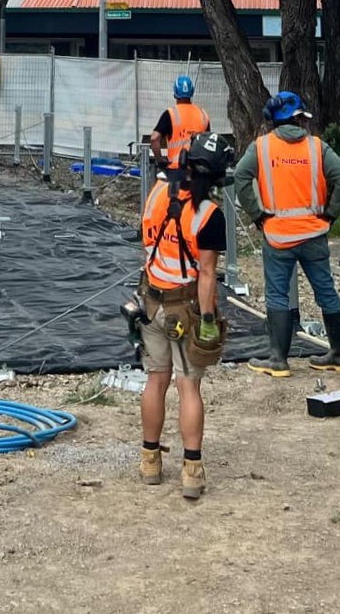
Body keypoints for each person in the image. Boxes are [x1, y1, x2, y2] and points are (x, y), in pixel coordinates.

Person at [232, 89, 340, 374]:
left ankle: (278, 360)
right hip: (314, 233)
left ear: (272, 120)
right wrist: (330, 213)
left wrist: (258, 214)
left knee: (277, 295)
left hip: (277, 235)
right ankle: (338, 354)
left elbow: (240, 176)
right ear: (299, 118)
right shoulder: (317, 147)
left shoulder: (261, 147)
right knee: (326, 291)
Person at [138, 132, 227, 501]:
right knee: (188, 386)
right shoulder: (209, 215)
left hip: (151, 300)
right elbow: (206, 275)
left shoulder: (159, 193)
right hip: (185, 306)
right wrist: (207, 319)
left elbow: (146, 238)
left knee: (155, 381)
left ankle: (150, 461)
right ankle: (191, 469)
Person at [150, 73, 211, 176]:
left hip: (176, 171)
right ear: (192, 92)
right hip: (198, 172)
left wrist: (160, 160)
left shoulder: (170, 114)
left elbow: (154, 138)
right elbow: (209, 143)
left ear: (175, 94)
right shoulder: (203, 114)